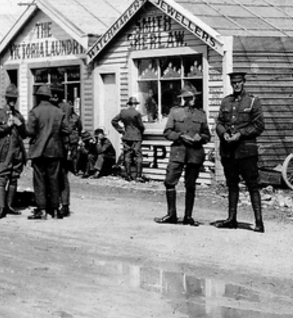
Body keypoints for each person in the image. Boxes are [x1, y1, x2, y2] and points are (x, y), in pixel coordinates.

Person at [213, 71, 265, 233]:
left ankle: (258, 222)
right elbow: (219, 122)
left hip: (246, 151)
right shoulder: (226, 101)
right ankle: (231, 219)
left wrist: (240, 134)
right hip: (229, 151)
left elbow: (259, 126)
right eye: (233, 83)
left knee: (252, 185)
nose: (236, 85)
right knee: (232, 184)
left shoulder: (253, 101)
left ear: (244, 82)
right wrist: (224, 134)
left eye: (239, 82)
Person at [156, 85, 211, 226]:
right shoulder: (175, 112)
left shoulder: (201, 114)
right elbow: (167, 132)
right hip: (178, 152)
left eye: (194, 97)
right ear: (184, 99)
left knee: (190, 185)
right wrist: (180, 136)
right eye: (190, 97)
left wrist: (201, 137)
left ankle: (188, 217)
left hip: (194, 153)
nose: (193, 99)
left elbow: (207, 135)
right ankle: (171, 214)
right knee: (169, 181)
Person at [26, 84, 70, 220]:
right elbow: (67, 130)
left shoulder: (35, 112)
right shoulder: (58, 111)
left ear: (38, 97)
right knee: (54, 180)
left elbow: (30, 131)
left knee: (40, 180)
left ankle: (42, 210)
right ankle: (55, 210)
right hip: (56, 150)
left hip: (39, 150)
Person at [0, 84, 26, 220]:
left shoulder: (19, 115)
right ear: (6, 99)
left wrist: (21, 125)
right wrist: (5, 127)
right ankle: (1, 208)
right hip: (3, 152)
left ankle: (10, 205)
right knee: (2, 179)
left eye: (15, 99)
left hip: (16, 152)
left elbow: (25, 134)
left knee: (14, 179)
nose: (13, 101)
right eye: (10, 98)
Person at [111, 96, 146, 182]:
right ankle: (138, 176)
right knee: (138, 156)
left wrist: (121, 130)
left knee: (127, 155)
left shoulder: (123, 113)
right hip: (136, 136)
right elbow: (141, 126)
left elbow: (114, 121)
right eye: (136, 104)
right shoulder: (137, 113)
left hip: (126, 136)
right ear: (134, 104)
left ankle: (128, 175)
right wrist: (142, 130)